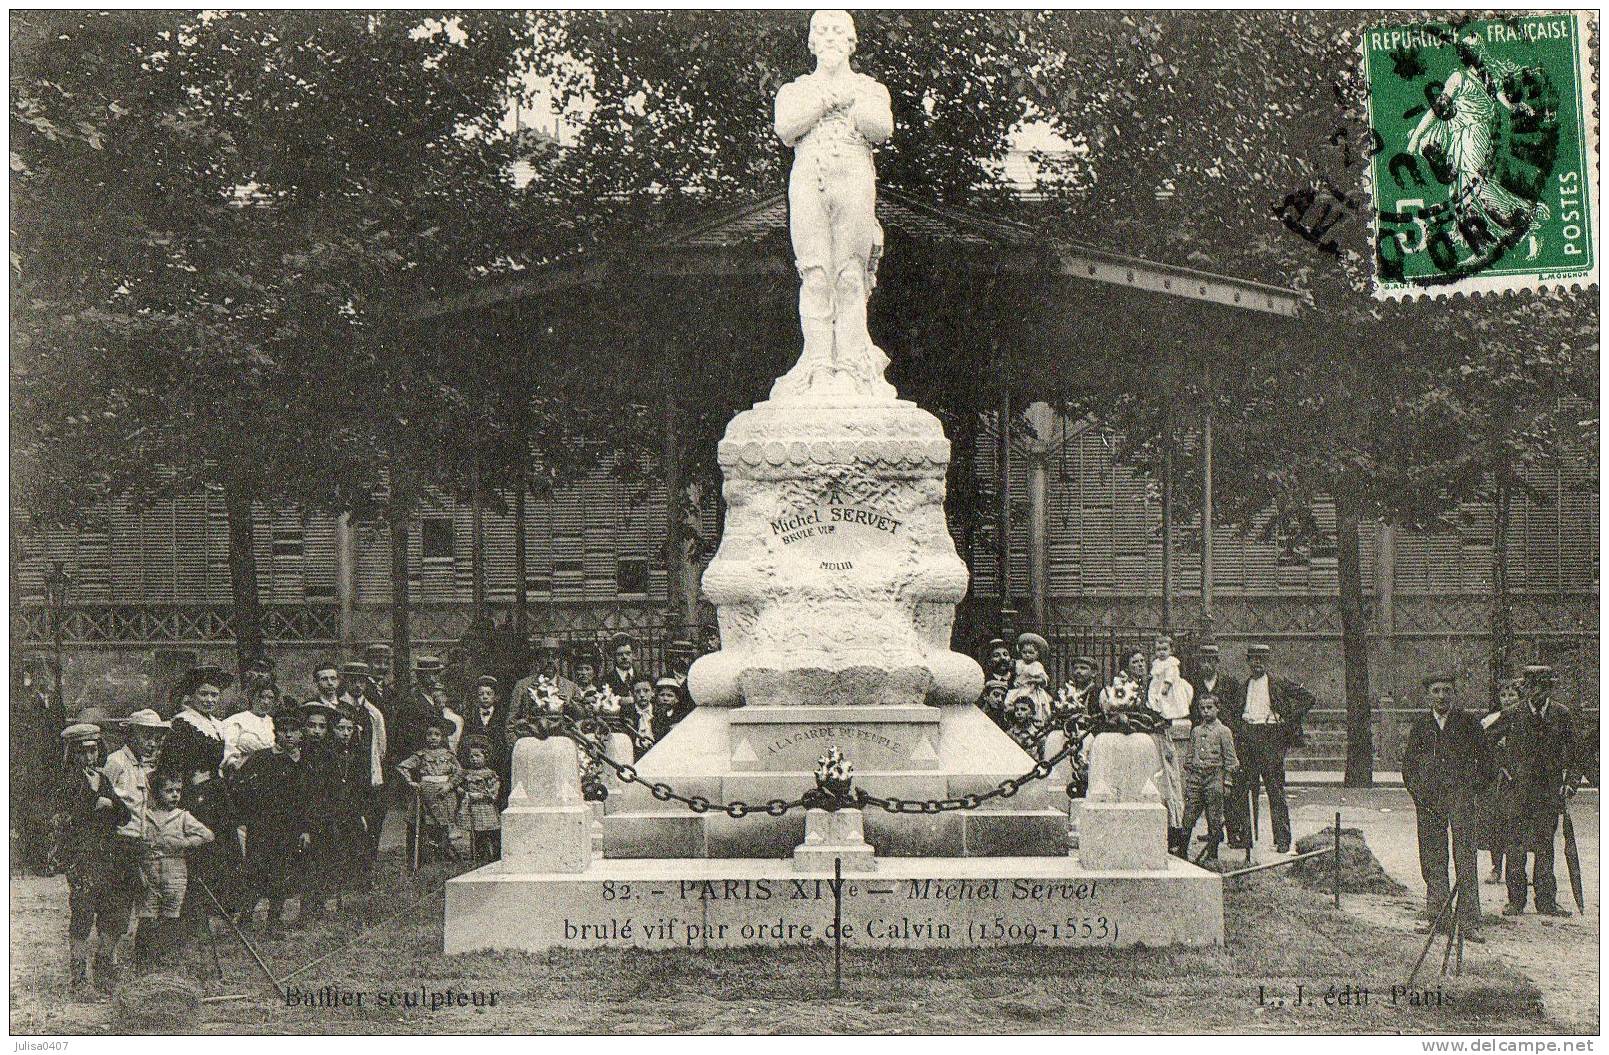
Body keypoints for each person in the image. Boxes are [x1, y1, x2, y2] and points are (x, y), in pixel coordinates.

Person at [772, 8, 896, 400]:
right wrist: (826, 102)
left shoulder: (869, 88)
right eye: (820, 31)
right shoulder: (795, 90)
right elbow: (786, 129)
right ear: (811, 42)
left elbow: (881, 127)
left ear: (850, 41)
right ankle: (819, 363)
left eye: (837, 31)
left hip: (854, 178)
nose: (828, 37)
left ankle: (850, 366)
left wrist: (852, 103)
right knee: (815, 274)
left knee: (848, 275)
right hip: (809, 179)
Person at [1401, 673, 1492, 940]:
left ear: (1455, 694)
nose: (1441, 696)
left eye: (1447, 690)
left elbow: (1486, 761)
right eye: (1436, 691)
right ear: (1428, 695)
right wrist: (1418, 793)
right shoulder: (1421, 725)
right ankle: (1438, 916)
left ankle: (1469, 921)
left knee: (1465, 857)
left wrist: (1472, 791)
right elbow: (1409, 764)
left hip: (1461, 799)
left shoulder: (1468, 723)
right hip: (1429, 802)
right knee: (1433, 858)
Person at [1490, 664, 1580, 917]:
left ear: (1549, 688)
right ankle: (1516, 900)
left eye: (1541, 687)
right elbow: (1485, 742)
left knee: (1545, 847)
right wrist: (1502, 768)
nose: (1535, 693)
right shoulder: (1512, 714)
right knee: (1515, 847)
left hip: (1549, 793)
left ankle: (1546, 902)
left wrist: (1570, 783)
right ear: (1525, 688)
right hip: (1517, 791)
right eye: (1530, 687)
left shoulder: (1562, 715)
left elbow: (1576, 755)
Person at [50, 723, 132, 990]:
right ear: (72, 753)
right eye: (83, 752)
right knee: (83, 913)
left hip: (109, 854)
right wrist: (95, 808)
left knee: (112, 911)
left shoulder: (102, 778)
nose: (89, 757)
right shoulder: (66, 782)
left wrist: (109, 804)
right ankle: (79, 976)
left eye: (93, 751)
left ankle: (104, 967)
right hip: (82, 856)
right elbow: (67, 820)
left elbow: (125, 816)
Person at [1225, 643, 1315, 854]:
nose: (1257, 664)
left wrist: (1287, 720)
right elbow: (1233, 711)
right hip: (1248, 738)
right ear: (1248, 662)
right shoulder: (1243, 686)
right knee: (1243, 789)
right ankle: (1244, 837)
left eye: (1261, 660)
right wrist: (1239, 728)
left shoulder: (1278, 684)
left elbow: (1308, 698)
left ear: (1267, 662)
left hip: (1270, 738)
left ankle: (1282, 839)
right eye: (1253, 659)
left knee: (1275, 790)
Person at [233, 711, 314, 932]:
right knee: (256, 869)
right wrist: (250, 812)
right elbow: (240, 784)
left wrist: (305, 828)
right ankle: (245, 917)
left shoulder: (304, 761)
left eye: (294, 731)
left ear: (300, 734)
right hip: (263, 825)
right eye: (283, 731)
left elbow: (307, 798)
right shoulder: (261, 757)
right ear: (275, 732)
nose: (288, 735)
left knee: (282, 872)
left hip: (290, 827)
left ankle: (274, 920)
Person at [131, 770, 213, 968]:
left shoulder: (182, 817)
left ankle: (167, 962)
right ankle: (143, 964)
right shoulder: (144, 815)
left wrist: (183, 842)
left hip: (175, 872)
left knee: (171, 917)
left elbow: (207, 835)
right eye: (169, 791)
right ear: (156, 792)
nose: (175, 795)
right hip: (149, 872)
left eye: (178, 791)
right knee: (147, 918)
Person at [336, 662, 390, 864]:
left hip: (367, 775)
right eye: (353, 681)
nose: (357, 686)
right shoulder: (338, 708)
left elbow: (381, 746)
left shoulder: (373, 713)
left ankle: (368, 865)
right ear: (346, 682)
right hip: (346, 774)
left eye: (361, 681)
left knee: (372, 821)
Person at [1177, 694, 1239, 862]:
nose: (1205, 712)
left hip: (1214, 779)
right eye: (1202, 708)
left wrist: (1227, 782)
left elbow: (1231, 760)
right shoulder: (1196, 731)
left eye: (1209, 708)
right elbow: (1189, 757)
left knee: (1214, 818)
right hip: (1196, 779)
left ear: (1217, 709)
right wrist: (1190, 775)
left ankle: (1212, 855)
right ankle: (1182, 853)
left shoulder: (1223, 732)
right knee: (1188, 816)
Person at [1146, 635, 1193, 853]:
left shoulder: (1172, 664)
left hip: (1167, 691)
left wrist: (1163, 689)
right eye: (1158, 649)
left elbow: (1168, 680)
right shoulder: (1156, 664)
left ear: (1171, 649)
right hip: (1157, 690)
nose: (1161, 652)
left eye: (1165, 648)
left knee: (1165, 703)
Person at [397, 716, 463, 864]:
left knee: (444, 825)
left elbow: (459, 772)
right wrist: (411, 782)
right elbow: (402, 767)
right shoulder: (420, 755)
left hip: (445, 793)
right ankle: (426, 858)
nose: (433, 738)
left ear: (442, 737)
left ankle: (445, 854)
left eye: (437, 734)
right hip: (426, 792)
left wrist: (450, 785)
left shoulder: (449, 755)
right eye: (429, 734)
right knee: (427, 825)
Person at [1479, 677, 1523, 883]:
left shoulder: (1526, 718)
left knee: (1521, 826)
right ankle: (1496, 866)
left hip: (1520, 779)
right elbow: (1484, 747)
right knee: (1496, 823)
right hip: (1497, 778)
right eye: (1503, 695)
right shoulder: (1492, 720)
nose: (1507, 699)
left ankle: (1518, 871)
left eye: (1511, 695)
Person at [163, 665, 231, 785]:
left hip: (215, 784)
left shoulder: (216, 724)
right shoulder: (183, 722)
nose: (209, 700)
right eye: (204, 694)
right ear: (192, 695)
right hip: (192, 787)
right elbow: (173, 764)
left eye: (214, 695)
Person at [457, 736, 502, 863]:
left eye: (477, 756)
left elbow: (494, 793)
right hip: (473, 809)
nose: (474, 759)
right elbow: (459, 786)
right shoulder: (467, 773)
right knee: (477, 833)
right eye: (471, 757)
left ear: (485, 757)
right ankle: (480, 857)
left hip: (486, 808)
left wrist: (481, 795)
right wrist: (462, 791)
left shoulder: (490, 774)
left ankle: (497, 857)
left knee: (492, 832)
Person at [222, 678, 277, 772]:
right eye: (261, 697)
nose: (266, 702)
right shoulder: (237, 720)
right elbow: (228, 748)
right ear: (251, 697)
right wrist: (234, 764)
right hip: (244, 770)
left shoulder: (274, 722)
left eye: (270, 698)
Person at [460, 675, 508, 770]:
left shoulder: (502, 717)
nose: (485, 697)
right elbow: (465, 741)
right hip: (476, 764)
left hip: (498, 763)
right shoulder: (470, 717)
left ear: (495, 697)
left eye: (489, 694)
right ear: (476, 697)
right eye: (481, 694)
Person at [1187, 642, 1238, 726]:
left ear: (1217, 662)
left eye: (1210, 661)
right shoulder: (1194, 683)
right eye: (1203, 661)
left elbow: (1235, 709)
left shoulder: (1229, 682)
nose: (1206, 665)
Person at [649, 677, 693, 741]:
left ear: (676, 699)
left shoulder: (680, 715)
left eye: (670, 695)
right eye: (662, 695)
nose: (665, 699)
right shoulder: (651, 713)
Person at [602, 634, 639, 700]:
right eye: (619, 654)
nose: (624, 657)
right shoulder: (606, 681)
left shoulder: (643, 678)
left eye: (628, 653)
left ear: (633, 655)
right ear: (613, 656)